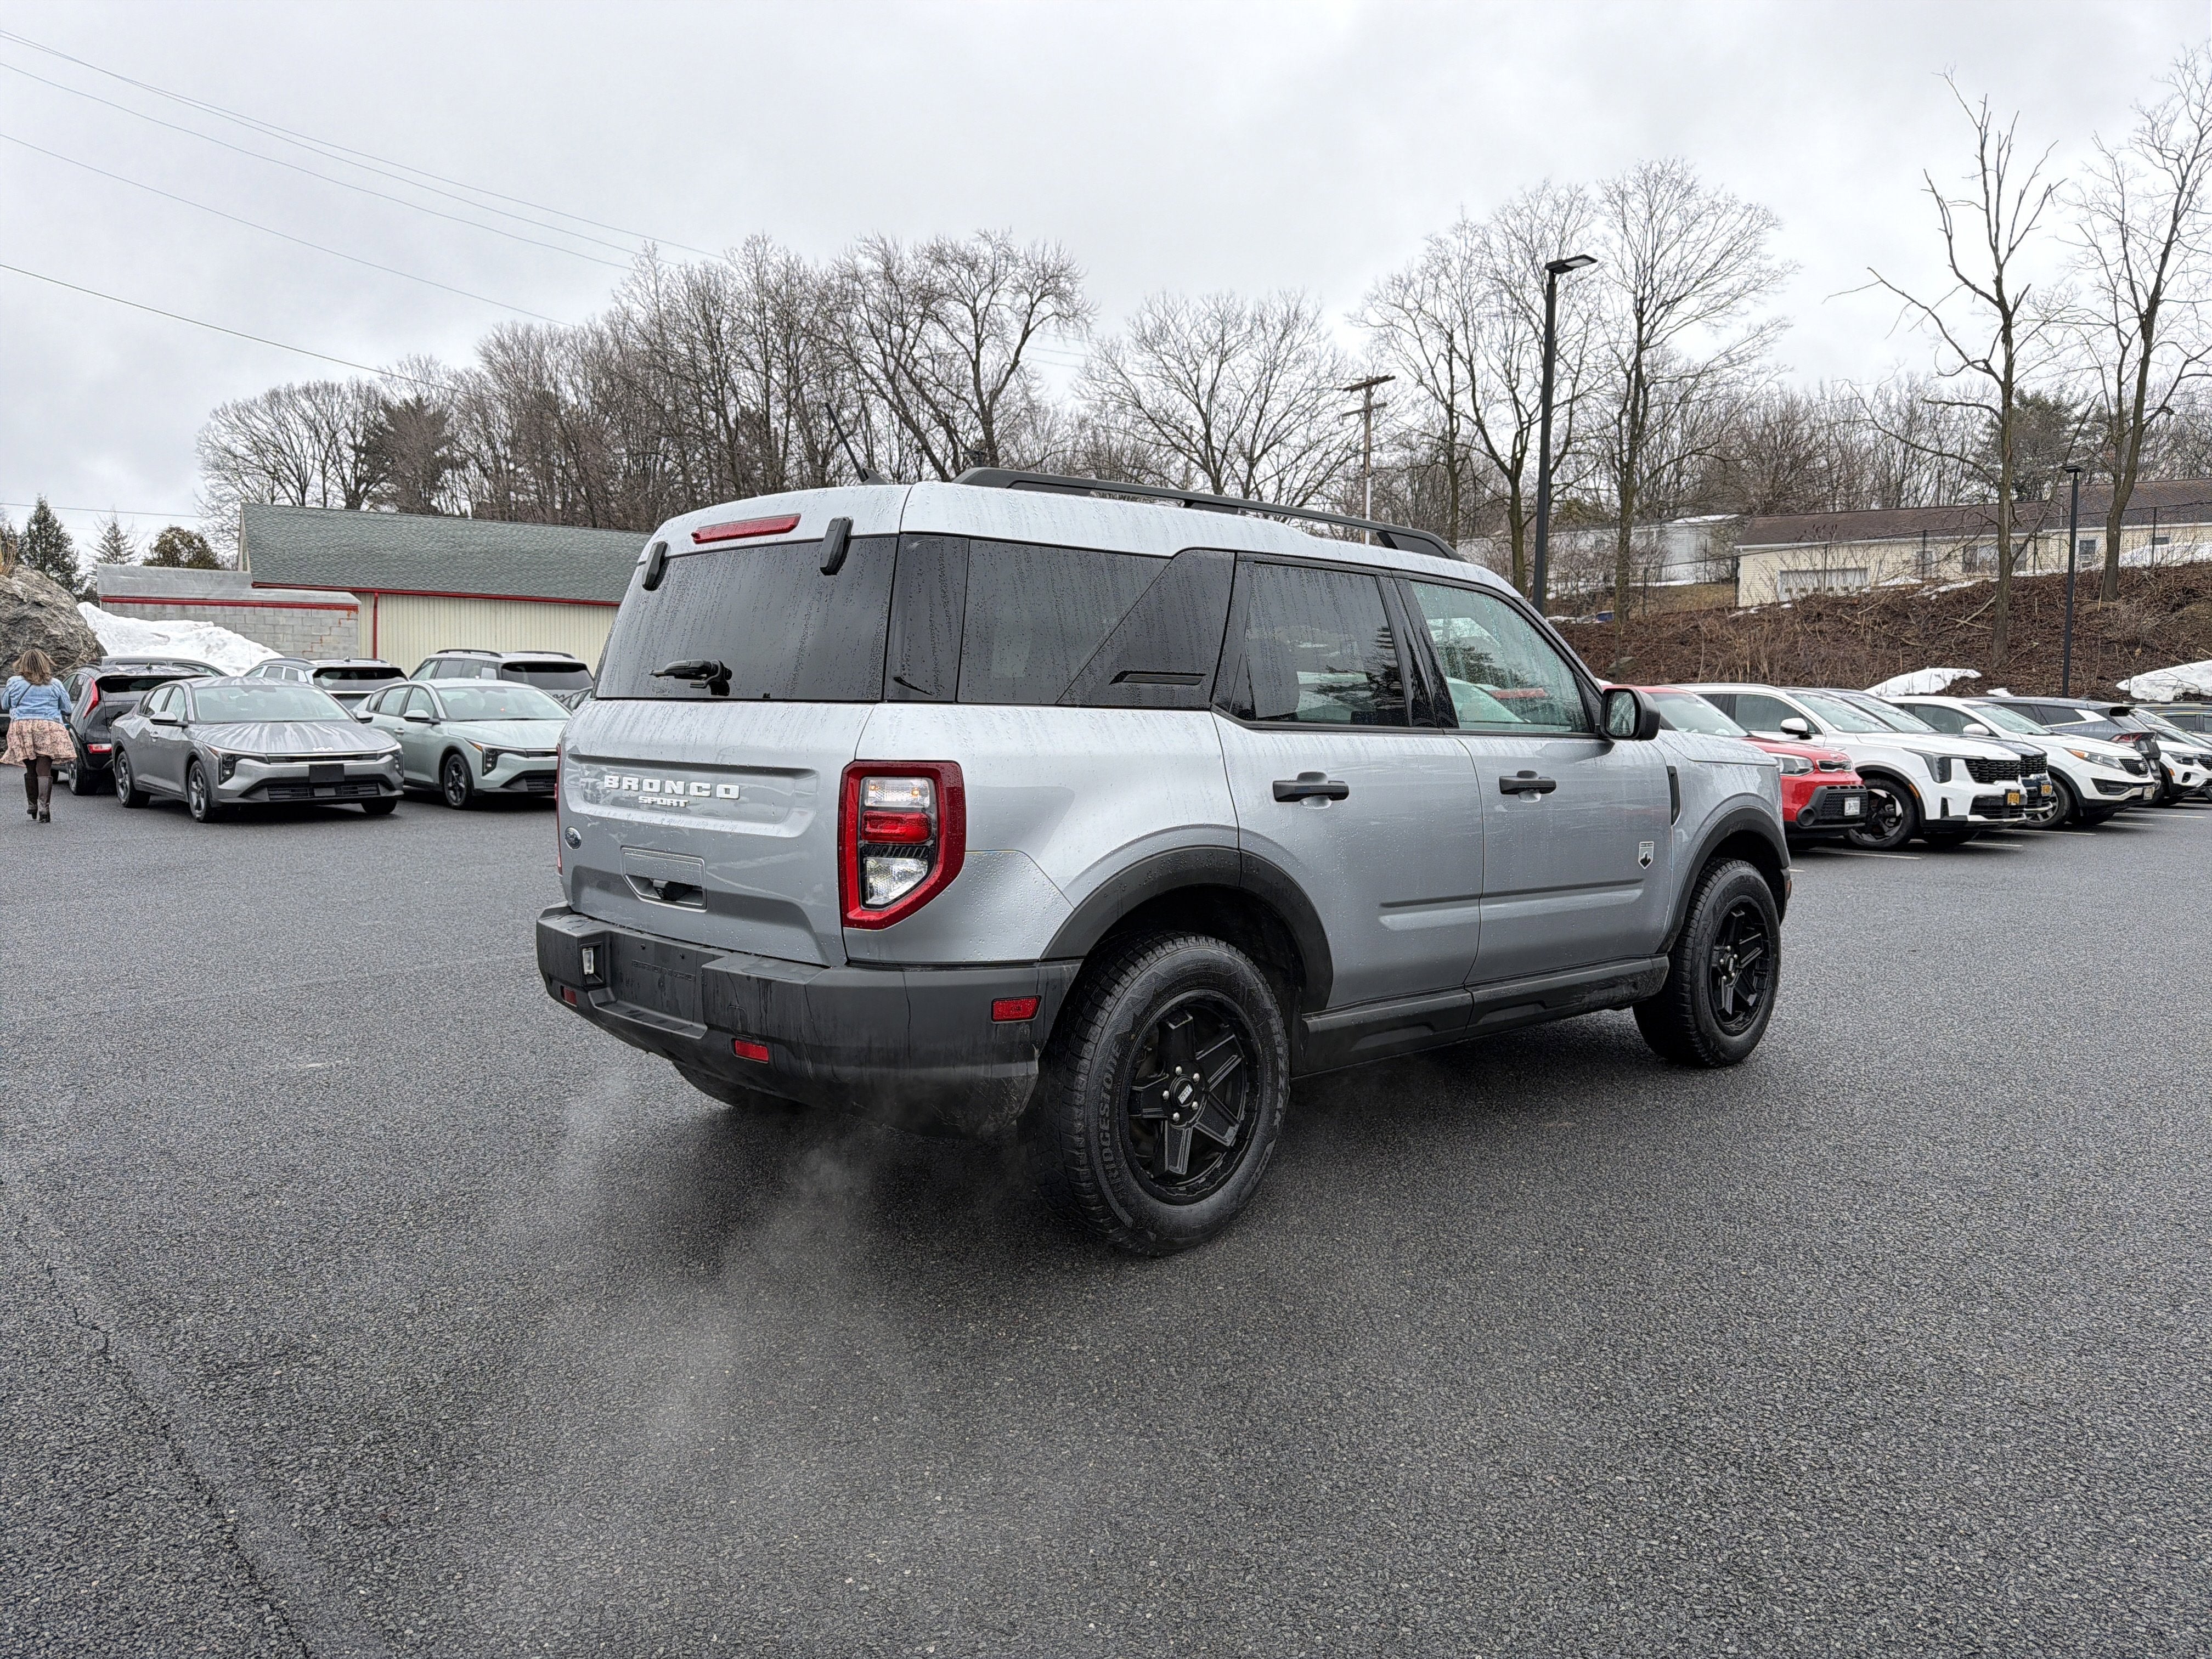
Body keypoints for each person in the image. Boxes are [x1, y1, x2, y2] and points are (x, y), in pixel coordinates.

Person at [3, 649, 75, 824]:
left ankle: (32, 805)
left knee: (30, 768)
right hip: (48, 726)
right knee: (44, 768)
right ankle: (45, 808)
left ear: (23, 664)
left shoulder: (13, 682)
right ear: (46, 663)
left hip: (22, 726)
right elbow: (68, 708)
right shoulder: (56, 684)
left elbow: (5, 704)